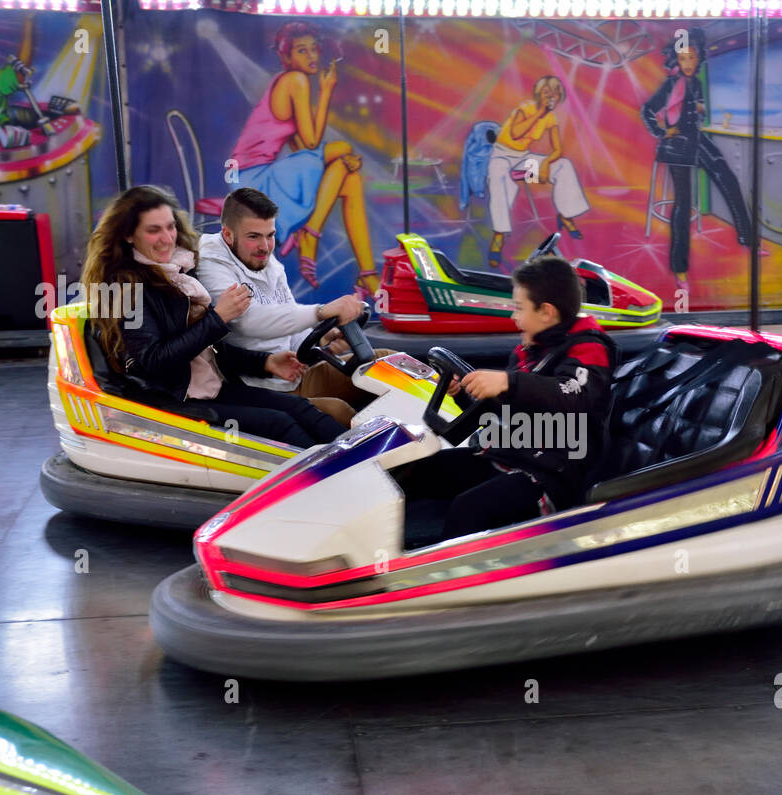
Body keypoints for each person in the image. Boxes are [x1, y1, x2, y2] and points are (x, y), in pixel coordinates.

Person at [83, 186, 344, 449]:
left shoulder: (177, 272)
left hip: (206, 387)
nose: (167, 238)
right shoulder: (126, 288)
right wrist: (218, 319)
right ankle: (334, 478)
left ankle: (368, 460)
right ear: (129, 235)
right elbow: (155, 361)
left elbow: (207, 351)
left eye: (170, 227)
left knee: (299, 408)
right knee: (279, 423)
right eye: (154, 230)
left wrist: (265, 362)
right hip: (172, 399)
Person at [396, 255, 617, 542]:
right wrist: (466, 391)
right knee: (420, 471)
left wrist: (507, 381)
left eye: (519, 308)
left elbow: (573, 396)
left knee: (470, 509)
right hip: (513, 454)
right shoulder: (531, 351)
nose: (514, 318)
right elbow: (503, 410)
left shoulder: (589, 348)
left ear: (546, 312)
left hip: (553, 474)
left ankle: (455, 581)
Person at [198, 187, 391, 429]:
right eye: (254, 236)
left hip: (293, 375)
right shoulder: (211, 265)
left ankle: (441, 419)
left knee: (387, 363)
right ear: (227, 235)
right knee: (341, 414)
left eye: (270, 235)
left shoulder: (264, 259)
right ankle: (400, 462)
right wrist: (320, 312)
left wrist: (324, 337)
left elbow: (289, 324)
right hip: (258, 389)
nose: (265, 246)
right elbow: (248, 320)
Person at [230, 21, 378, 293]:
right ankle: (311, 234)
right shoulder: (294, 81)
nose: (312, 56)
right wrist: (326, 93)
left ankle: (367, 273)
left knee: (350, 179)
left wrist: (342, 164)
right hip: (252, 179)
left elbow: (303, 149)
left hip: (257, 173)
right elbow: (313, 143)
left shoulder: (286, 83)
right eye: (302, 51)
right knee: (343, 149)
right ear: (285, 57)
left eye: (314, 49)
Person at [641, 27, 753, 286]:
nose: (688, 63)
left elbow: (697, 115)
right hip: (677, 145)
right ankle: (679, 268)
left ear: (698, 58)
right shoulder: (671, 84)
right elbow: (647, 110)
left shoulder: (697, 83)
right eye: (683, 59)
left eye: (691, 58)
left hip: (697, 140)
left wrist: (701, 111)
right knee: (682, 204)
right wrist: (661, 131)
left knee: (728, 179)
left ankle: (748, 239)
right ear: (677, 62)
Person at [486, 76, 589, 269]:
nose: (551, 96)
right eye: (546, 92)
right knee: (499, 179)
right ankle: (499, 234)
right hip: (502, 156)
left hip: (523, 160)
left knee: (564, 165)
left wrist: (545, 164)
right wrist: (540, 113)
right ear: (538, 94)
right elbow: (516, 133)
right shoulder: (526, 108)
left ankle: (566, 214)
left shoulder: (551, 118)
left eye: (555, 93)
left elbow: (558, 150)